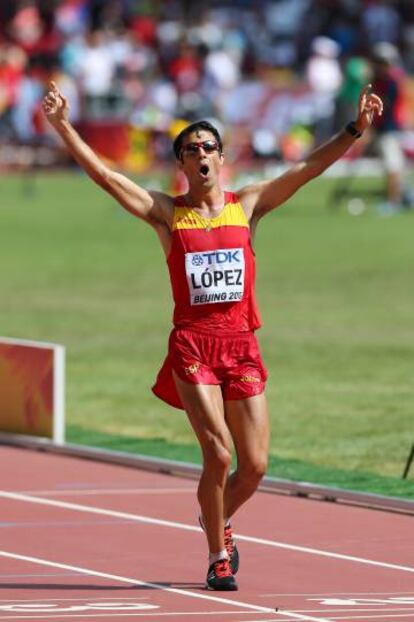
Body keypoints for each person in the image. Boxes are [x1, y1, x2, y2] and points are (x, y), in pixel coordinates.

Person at [42, 81, 383, 591]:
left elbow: (306, 169)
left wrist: (354, 130)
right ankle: (218, 556)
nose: (199, 154)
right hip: (194, 344)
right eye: (189, 149)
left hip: (241, 342)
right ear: (181, 163)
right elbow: (106, 176)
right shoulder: (168, 214)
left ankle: (215, 514)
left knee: (257, 466)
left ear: (222, 157)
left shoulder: (247, 205)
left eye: (207, 147)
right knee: (219, 456)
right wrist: (63, 125)